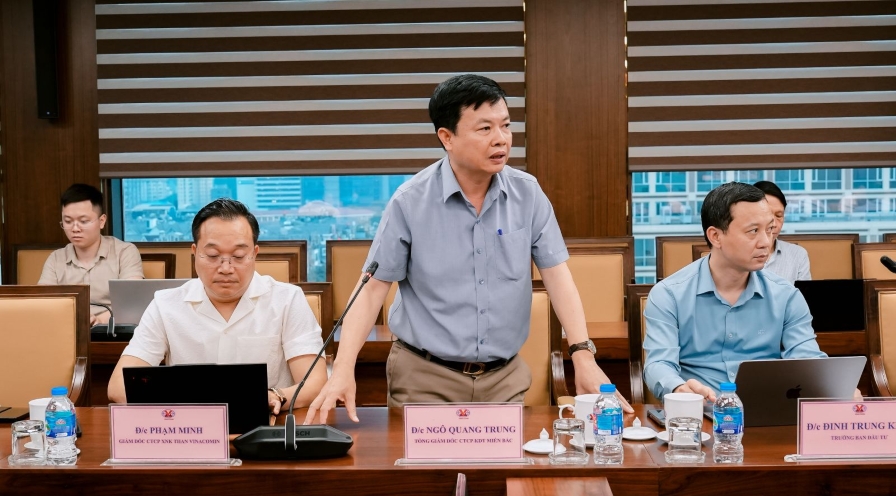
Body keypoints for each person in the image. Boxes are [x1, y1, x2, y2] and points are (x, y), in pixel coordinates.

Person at [306, 74, 631, 425]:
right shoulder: (410, 202)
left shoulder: (527, 194)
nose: (501, 139)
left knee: (508, 464)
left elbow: (558, 277)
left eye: (506, 125)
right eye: (485, 129)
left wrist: (582, 355)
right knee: (421, 464)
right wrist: (343, 368)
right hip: (424, 378)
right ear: (447, 137)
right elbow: (371, 290)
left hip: (503, 378)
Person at [107, 199, 326, 417]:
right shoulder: (165, 305)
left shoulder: (286, 300)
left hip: (267, 425)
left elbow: (315, 382)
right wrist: (186, 407)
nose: (226, 268)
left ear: (254, 253)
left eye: (238, 256)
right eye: (213, 256)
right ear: (195, 252)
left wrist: (276, 396)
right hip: (190, 428)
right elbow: (118, 387)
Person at [643, 182, 859, 403]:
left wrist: (836, 385)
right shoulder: (669, 295)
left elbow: (807, 358)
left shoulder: (786, 296)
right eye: (753, 231)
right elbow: (659, 364)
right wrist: (679, 388)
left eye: (769, 230)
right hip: (701, 412)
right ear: (715, 236)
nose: (766, 242)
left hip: (768, 412)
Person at [39, 184, 143, 326]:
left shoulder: (124, 252)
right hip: (67, 328)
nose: (75, 228)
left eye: (83, 221)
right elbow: (43, 303)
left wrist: (100, 321)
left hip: (112, 330)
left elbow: (132, 302)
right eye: (68, 221)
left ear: (102, 221)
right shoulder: (56, 259)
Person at [753, 180, 811, 283]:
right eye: (767, 215)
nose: (774, 224)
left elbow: (804, 293)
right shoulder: (736, 255)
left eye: (779, 216)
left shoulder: (798, 255)